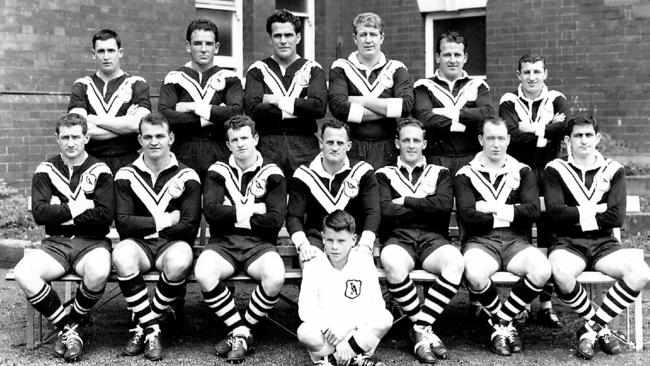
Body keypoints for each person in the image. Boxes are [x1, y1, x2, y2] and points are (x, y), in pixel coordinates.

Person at [545, 115, 650, 360]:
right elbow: (556, 214)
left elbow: (615, 217)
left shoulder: (613, 170)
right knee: (560, 273)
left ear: (598, 138)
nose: (584, 140)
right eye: (578, 136)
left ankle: (590, 328)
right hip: (568, 242)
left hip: (604, 243)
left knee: (642, 273)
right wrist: (596, 211)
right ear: (567, 141)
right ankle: (601, 328)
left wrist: (577, 214)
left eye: (588, 135)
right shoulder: (555, 169)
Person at [14, 113, 114, 362]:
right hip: (55, 244)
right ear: (57, 139)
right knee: (23, 272)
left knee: (99, 271)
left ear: (87, 137)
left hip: (91, 242)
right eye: (65, 137)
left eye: (76, 137)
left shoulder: (100, 170)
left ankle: (74, 323)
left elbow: (104, 217)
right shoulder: (45, 170)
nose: (71, 143)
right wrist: (82, 206)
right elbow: (40, 214)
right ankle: (70, 327)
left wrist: (59, 208)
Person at [454, 116, 551, 356]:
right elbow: (468, 216)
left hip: (516, 241)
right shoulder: (466, 174)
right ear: (480, 140)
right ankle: (506, 324)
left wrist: (488, 207)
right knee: (475, 274)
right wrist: (510, 212)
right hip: (480, 241)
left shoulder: (522, 170)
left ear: (508, 139)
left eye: (501, 138)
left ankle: (500, 323)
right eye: (490, 138)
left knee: (542, 271)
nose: (496, 144)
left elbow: (531, 212)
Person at [194, 115, 287, 363]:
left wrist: (231, 211)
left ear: (255, 139)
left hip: (260, 244)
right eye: (234, 140)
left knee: (276, 276)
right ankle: (242, 331)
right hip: (222, 243)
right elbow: (212, 213)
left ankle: (240, 332)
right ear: (228, 144)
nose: (240, 144)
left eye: (245, 137)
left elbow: (275, 220)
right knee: (204, 272)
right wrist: (255, 209)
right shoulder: (217, 170)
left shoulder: (273, 173)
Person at [112, 113, 201, 361]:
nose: (154, 142)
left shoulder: (187, 176)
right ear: (139, 140)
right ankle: (152, 328)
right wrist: (165, 220)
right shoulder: (125, 175)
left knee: (181, 259)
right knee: (121, 254)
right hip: (138, 246)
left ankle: (143, 327)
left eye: (160, 135)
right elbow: (124, 225)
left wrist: (147, 226)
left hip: (171, 246)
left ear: (171, 138)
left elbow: (188, 226)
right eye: (148, 136)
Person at [376, 118, 464, 363]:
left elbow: (443, 207)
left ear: (425, 143)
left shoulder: (441, 173)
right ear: (397, 143)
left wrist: (404, 201)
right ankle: (425, 331)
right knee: (392, 263)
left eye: (416, 140)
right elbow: (384, 210)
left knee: (455, 262)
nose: (411, 145)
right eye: (406, 140)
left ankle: (419, 327)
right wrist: (426, 205)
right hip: (398, 238)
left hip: (433, 239)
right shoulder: (384, 175)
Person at [499, 53, 571, 328]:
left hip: (550, 172)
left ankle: (545, 304)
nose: (531, 77)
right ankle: (523, 305)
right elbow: (512, 135)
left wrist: (528, 129)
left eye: (536, 72)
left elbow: (564, 127)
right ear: (518, 75)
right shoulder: (508, 100)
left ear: (545, 73)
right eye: (526, 72)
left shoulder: (556, 98)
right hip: (519, 171)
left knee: (548, 230)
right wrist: (545, 129)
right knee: (521, 230)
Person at [298, 210, 392, 366]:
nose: (335, 247)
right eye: (330, 240)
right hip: (329, 334)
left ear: (354, 240)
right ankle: (355, 360)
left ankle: (332, 360)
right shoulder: (314, 263)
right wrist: (327, 326)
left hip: (355, 332)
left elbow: (375, 305)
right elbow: (306, 309)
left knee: (385, 318)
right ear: (323, 238)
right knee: (304, 332)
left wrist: (347, 328)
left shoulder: (363, 261)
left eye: (341, 241)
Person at [244, 9, 327, 177]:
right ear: (270, 39)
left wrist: (276, 101)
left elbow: (318, 108)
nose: (283, 41)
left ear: (298, 37)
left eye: (288, 35)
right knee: (271, 197)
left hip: (304, 144)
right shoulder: (258, 70)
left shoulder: (313, 69)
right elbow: (253, 110)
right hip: (268, 144)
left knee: (304, 196)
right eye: (277, 36)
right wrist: (300, 107)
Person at [159, 18, 243, 181]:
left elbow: (235, 112)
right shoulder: (174, 78)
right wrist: (214, 116)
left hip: (219, 151)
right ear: (188, 46)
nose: (203, 49)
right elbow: (166, 117)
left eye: (209, 44)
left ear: (217, 47)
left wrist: (192, 107)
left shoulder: (230, 78)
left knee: (216, 203)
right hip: (183, 151)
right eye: (197, 43)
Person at [287, 119, 380, 264]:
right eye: (330, 142)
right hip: (317, 239)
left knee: (362, 265)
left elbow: (373, 212)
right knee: (312, 264)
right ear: (320, 143)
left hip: (353, 239)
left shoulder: (363, 172)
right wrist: (303, 245)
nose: (335, 148)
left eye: (340, 143)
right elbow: (294, 216)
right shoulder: (303, 175)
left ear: (348, 146)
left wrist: (365, 244)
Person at [328, 12, 414, 169]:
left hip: (387, 147)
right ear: (355, 38)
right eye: (362, 35)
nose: (368, 40)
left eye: (373, 34)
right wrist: (387, 110)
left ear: (381, 37)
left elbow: (406, 106)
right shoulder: (341, 67)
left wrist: (360, 101)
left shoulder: (397, 68)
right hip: (352, 147)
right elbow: (338, 108)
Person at [68, 29, 151, 174]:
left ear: (121, 52)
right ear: (94, 54)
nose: (106, 56)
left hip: (128, 162)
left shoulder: (136, 83)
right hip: (90, 162)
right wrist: (124, 126)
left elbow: (140, 125)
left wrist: (94, 120)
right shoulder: (82, 85)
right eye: (101, 51)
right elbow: (77, 129)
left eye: (111, 50)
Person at [413, 30, 495, 176]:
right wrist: (466, 120)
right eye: (447, 55)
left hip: (472, 159)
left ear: (465, 57)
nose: (452, 60)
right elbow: (424, 118)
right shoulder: (423, 86)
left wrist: (444, 112)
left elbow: (487, 114)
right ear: (438, 58)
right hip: (436, 160)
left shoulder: (478, 85)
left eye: (457, 55)